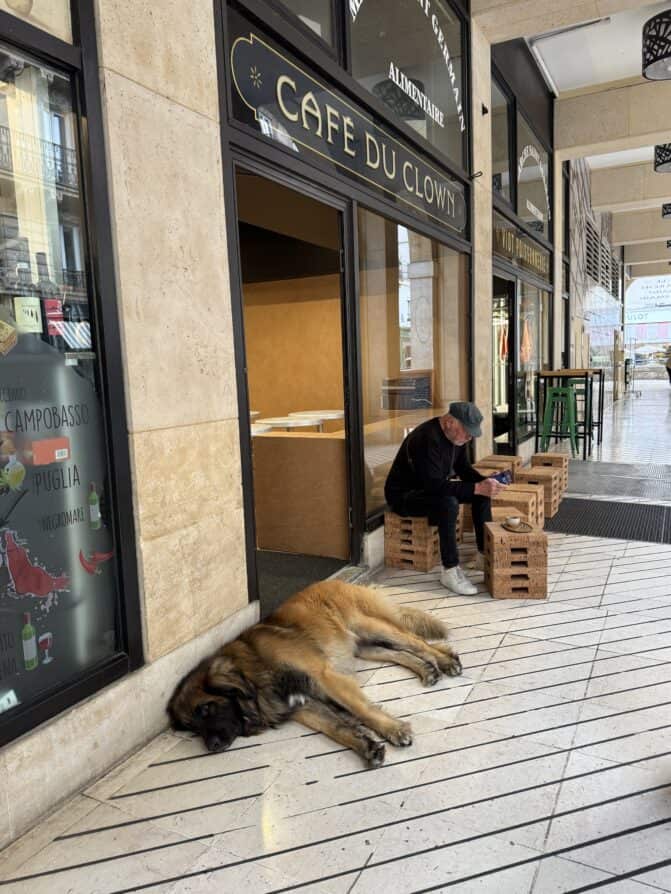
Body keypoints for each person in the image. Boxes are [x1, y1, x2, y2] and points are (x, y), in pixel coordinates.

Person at [384, 401, 507, 596]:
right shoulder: (427, 439)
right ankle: (449, 570)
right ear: (449, 422)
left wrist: (486, 483)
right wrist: (476, 487)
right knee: (448, 503)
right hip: (405, 495)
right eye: (467, 431)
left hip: (429, 490)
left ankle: (484, 555)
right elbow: (434, 486)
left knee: (482, 494)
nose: (469, 437)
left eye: (472, 433)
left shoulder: (456, 439)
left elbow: (464, 469)